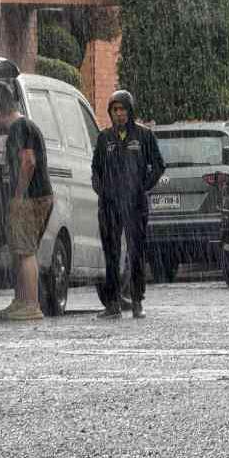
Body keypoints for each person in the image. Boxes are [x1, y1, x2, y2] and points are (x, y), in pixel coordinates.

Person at [91, 90, 165, 319]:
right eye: (115, 110)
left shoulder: (144, 135)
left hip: (135, 204)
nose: (119, 114)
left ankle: (137, 300)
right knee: (111, 253)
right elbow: (96, 169)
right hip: (110, 205)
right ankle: (112, 303)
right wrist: (102, 191)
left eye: (123, 109)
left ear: (130, 111)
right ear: (110, 113)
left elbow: (159, 165)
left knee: (136, 253)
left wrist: (142, 187)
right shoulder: (105, 138)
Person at [0, 91, 53, 321]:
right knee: (19, 250)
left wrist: (18, 194)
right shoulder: (25, 126)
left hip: (30, 197)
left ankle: (31, 304)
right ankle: (20, 301)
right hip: (36, 196)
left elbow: (28, 161)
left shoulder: (19, 127)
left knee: (25, 251)